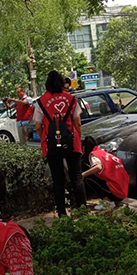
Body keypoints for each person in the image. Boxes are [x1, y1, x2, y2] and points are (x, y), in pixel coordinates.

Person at [34, 70, 87, 217]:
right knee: (76, 178)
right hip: (72, 142)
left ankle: (62, 214)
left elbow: (38, 126)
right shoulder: (71, 99)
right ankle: (83, 212)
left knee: (58, 180)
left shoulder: (41, 102)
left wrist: (46, 136)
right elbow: (77, 123)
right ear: (62, 83)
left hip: (51, 145)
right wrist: (78, 139)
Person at [81, 136, 129, 203]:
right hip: (123, 190)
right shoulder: (102, 152)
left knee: (88, 178)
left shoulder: (93, 155)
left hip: (115, 193)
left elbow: (98, 167)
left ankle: (107, 200)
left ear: (85, 147)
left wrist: (83, 174)